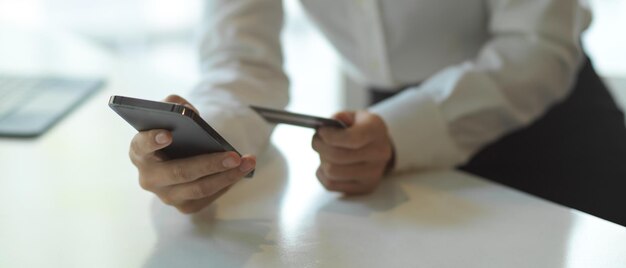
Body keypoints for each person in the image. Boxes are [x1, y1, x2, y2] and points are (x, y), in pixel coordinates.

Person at [128, 0, 626, 225]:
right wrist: (204, 143)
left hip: (552, 134)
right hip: (380, 140)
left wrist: (403, 130)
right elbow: (241, 58)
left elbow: (536, 47)